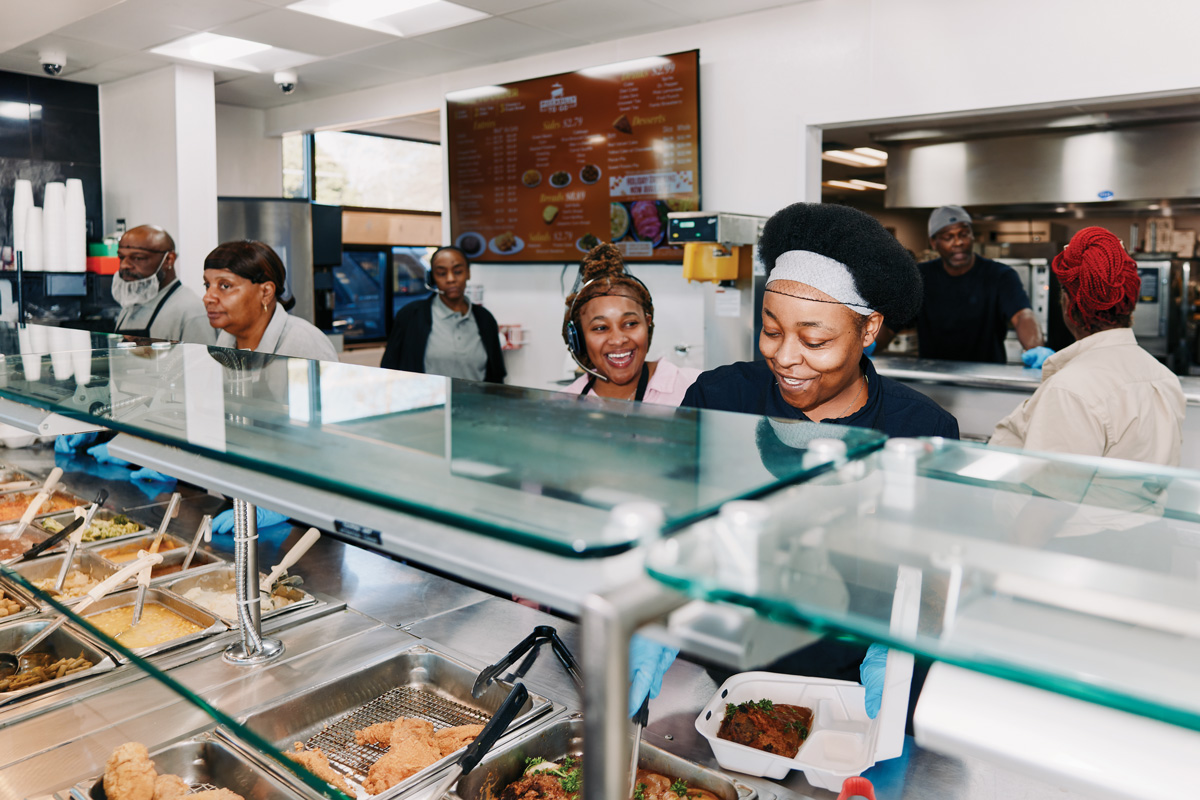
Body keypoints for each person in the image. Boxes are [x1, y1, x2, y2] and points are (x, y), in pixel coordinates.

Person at [682, 202, 959, 439]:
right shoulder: (717, 399)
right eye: (772, 331)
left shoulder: (921, 426)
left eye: (814, 342)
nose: (784, 358)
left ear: (869, 329)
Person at [991, 226, 1185, 465]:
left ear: (1069, 304)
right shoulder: (1165, 378)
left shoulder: (1069, 391)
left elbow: (1051, 495)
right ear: (1130, 299)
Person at [878, 205, 1052, 367]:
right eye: (948, 237)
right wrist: (864, 349)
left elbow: (1022, 315)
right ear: (933, 242)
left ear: (972, 236)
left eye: (963, 234)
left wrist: (1035, 348)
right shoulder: (920, 277)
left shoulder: (1000, 275)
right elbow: (890, 325)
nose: (958, 242)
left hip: (987, 378)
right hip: (934, 378)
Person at [561, 243, 699, 405]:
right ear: (579, 338)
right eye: (601, 328)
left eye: (630, 323)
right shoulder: (564, 404)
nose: (618, 340)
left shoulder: (696, 386)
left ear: (648, 324)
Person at [380, 246, 506, 383]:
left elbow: (496, 375)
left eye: (458, 271)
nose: (451, 279)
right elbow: (389, 369)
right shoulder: (411, 316)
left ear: (468, 273)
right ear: (432, 278)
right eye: (441, 273)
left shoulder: (485, 319)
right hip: (428, 401)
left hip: (476, 402)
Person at [203, 240, 338, 361]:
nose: (207, 297)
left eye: (225, 286)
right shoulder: (225, 339)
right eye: (207, 285)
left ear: (266, 292)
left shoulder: (306, 343)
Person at [112, 225, 214, 344]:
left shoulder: (191, 312)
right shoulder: (130, 306)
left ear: (168, 260)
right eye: (121, 257)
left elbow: (202, 361)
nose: (124, 265)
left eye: (138, 258)